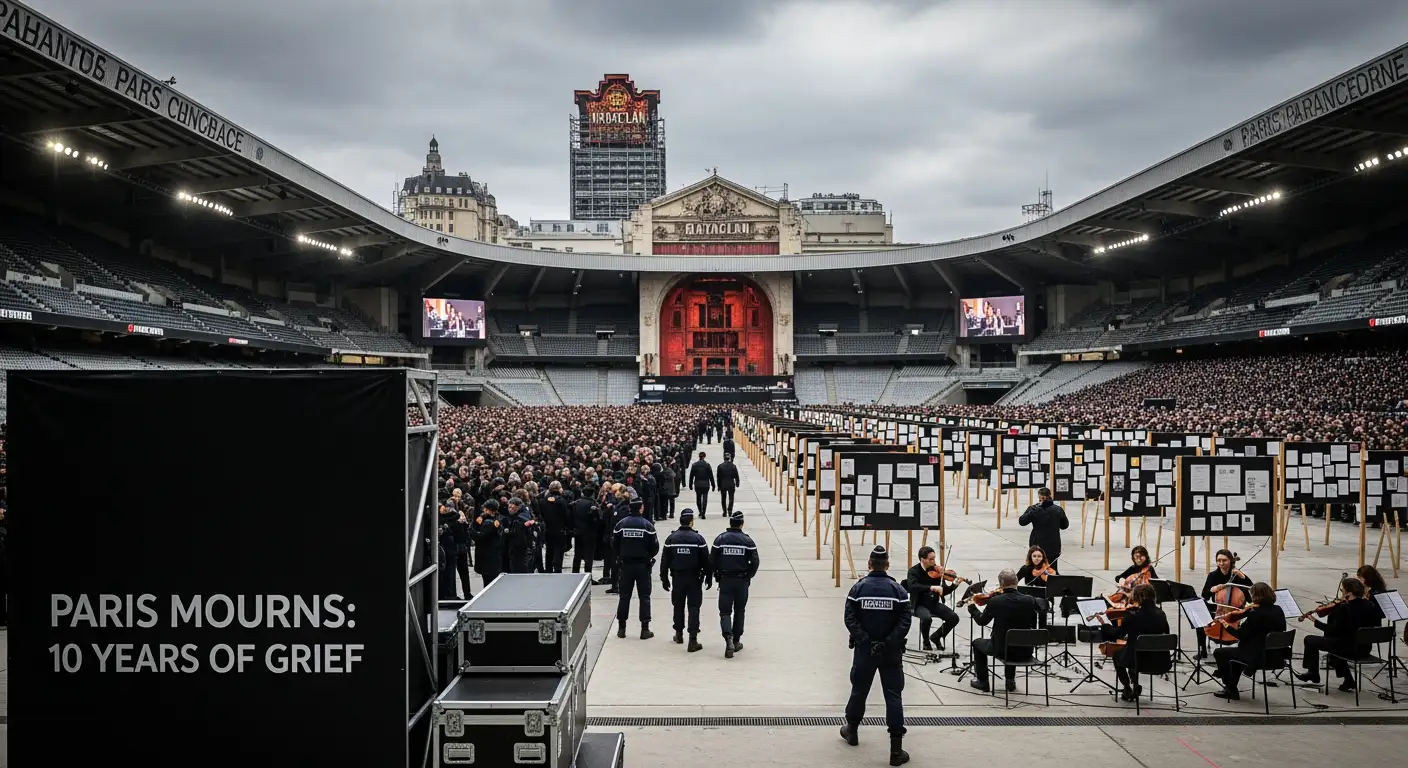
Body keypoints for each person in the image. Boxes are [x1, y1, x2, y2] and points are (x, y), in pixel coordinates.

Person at [840, 545, 912, 766]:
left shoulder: (858, 589)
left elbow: (849, 618)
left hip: (865, 651)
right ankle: (896, 749)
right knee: (893, 695)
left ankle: (852, 730)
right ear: (887, 565)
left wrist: (866, 641)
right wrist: (887, 643)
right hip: (890, 653)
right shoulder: (898, 591)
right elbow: (905, 621)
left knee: (859, 690)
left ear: (869, 565)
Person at [967, 569, 1047, 693]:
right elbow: (1042, 607)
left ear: (1001, 584)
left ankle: (983, 682)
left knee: (977, 643)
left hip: (1001, 650)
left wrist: (972, 607)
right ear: (1016, 582)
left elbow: (982, 622)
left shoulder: (996, 601)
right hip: (1025, 651)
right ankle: (1010, 681)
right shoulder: (1029, 600)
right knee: (1014, 639)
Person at [1294, 577, 1381, 691]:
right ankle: (1348, 680)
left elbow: (1332, 631)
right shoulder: (1370, 605)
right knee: (1335, 645)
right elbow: (1376, 625)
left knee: (1310, 640)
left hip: (1348, 649)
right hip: (1364, 647)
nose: (1342, 593)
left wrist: (1316, 622)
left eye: (1342, 590)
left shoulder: (1344, 608)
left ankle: (1313, 673)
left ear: (1349, 592)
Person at [1211, 582, 1287, 700]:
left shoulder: (1255, 614)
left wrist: (1225, 624)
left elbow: (1240, 635)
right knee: (1235, 658)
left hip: (1257, 657)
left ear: (1255, 597)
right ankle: (1230, 688)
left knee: (1219, 653)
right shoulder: (1278, 610)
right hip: (1276, 656)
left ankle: (1228, 686)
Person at [1095, 583, 1169, 702]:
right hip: (1159, 660)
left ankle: (1127, 687)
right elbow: (1166, 631)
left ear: (1137, 598)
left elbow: (1117, 634)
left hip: (1139, 660)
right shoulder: (1161, 614)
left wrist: (1105, 624)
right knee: (1131, 649)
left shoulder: (1133, 615)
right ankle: (1135, 684)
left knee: (1119, 655)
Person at [661, 509, 711, 652]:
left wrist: (664, 578)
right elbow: (705, 560)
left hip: (677, 578)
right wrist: (708, 576)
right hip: (695, 578)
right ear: (691, 522)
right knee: (693, 607)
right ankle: (693, 639)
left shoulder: (671, 539)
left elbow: (665, 560)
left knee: (678, 605)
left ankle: (679, 633)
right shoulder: (698, 539)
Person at [711, 509, 759, 658]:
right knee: (740, 611)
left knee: (725, 612)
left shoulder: (720, 540)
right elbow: (755, 562)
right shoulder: (748, 541)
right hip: (741, 581)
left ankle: (728, 639)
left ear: (730, 523)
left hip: (725, 580)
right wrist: (748, 576)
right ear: (742, 524)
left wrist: (716, 574)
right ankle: (737, 640)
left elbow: (712, 560)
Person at [612, 499, 659, 640]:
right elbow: (655, 547)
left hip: (625, 565)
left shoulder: (621, 525)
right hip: (643, 566)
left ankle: (621, 628)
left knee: (624, 596)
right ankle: (645, 629)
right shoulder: (647, 526)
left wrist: (621, 555)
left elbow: (614, 544)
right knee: (644, 597)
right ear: (640, 509)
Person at [904, 546, 964, 651]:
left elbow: (943, 591)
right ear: (922, 559)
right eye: (930, 559)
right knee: (927, 618)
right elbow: (913, 586)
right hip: (918, 603)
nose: (934, 561)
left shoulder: (937, 571)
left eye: (934, 558)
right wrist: (930, 587)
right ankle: (926, 642)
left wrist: (954, 585)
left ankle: (936, 637)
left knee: (954, 618)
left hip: (933, 603)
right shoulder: (913, 571)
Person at [1195, 550, 1253, 659]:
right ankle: (1202, 649)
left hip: (1235, 611)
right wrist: (1213, 589)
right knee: (1200, 621)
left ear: (1231, 561)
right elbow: (1205, 594)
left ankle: (1243, 650)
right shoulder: (1213, 575)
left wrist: (1242, 576)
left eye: (1224, 560)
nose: (1221, 563)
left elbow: (1252, 589)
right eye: (1218, 560)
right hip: (1218, 608)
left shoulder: (1237, 575)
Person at [1018, 487, 1068, 565]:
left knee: (1036, 569)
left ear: (1041, 497)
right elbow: (1065, 525)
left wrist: (1030, 512)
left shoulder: (1033, 509)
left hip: (1037, 544)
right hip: (1054, 545)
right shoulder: (1058, 509)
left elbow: (1022, 521)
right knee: (1052, 569)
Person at [569, 488, 602, 579]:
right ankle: (588, 575)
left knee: (577, 554)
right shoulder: (593, 504)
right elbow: (597, 519)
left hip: (578, 531)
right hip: (590, 532)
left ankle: (575, 573)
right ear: (592, 494)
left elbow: (570, 516)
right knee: (589, 555)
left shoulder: (576, 503)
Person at [471, 499, 504, 588]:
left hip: (487, 556)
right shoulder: (497, 519)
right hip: (493, 555)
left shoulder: (488, 523)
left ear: (488, 509)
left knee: (488, 582)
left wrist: (471, 530)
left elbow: (479, 536)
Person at [540, 481, 572, 573]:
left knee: (549, 550)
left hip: (548, 529)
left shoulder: (543, 501)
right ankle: (557, 569)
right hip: (559, 530)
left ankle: (549, 569)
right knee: (559, 551)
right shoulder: (562, 501)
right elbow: (566, 515)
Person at [505, 497, 537, 574]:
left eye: (511, 507)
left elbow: (518, 535)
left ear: (517, 507)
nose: (509, 509)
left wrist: (508, 532)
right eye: (508, 507)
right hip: (524, 550)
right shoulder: (524, 515)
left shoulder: (519, 519)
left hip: (520, 551)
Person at [689, 451, 715, 519]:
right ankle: (704, 512)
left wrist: (690, 484)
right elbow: (711, 476)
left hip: (697, 484)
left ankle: (700, 511)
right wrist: (713, 485)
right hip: (706, 484)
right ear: (704, 456)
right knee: (705, 498)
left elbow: (691, 476)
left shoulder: (694, 465)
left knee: (698, 498)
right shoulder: (707, 465)